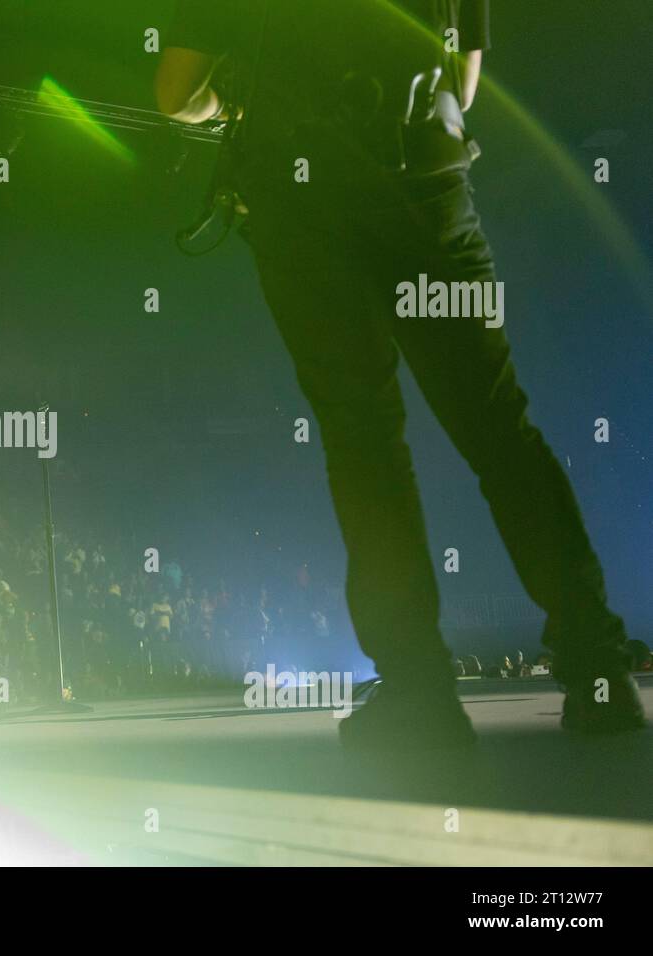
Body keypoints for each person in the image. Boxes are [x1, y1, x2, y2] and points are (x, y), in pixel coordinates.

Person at [155, 0, 643, 747]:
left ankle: (420, 695)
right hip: (428, 186)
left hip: (307, 208)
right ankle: (598, 669)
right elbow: (466, 83)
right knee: (499, 429)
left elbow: (177, 94)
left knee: (365, 445)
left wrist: (237, 100)